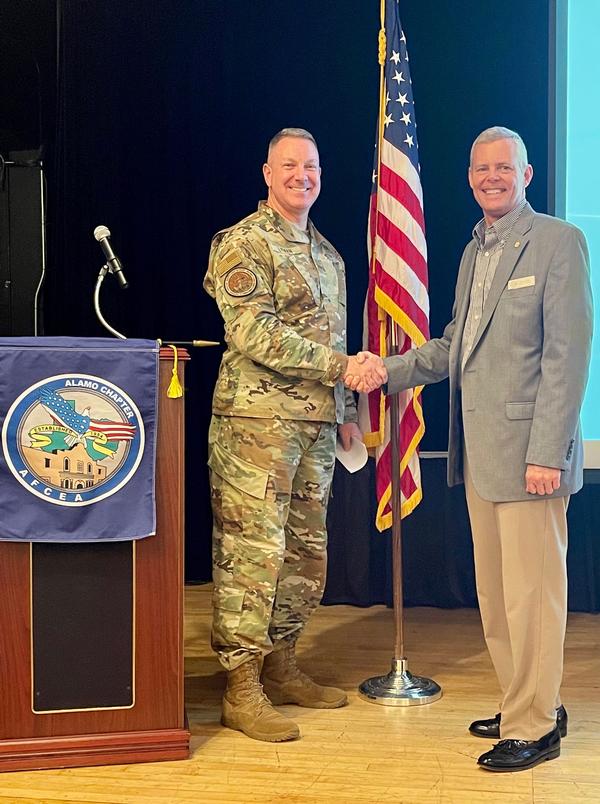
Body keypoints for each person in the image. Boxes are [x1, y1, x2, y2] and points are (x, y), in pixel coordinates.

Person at [345, 126, 593, 771]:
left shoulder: (560, 242)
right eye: (481, 168)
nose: (492, 177)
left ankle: (537, 725)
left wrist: (547, 453)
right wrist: (386, 369)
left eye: (503, 168)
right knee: (499, 596)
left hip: (530, 457)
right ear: (469, 177)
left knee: (533, 597)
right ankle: (526, 704)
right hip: (481, 456)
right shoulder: (473, 252)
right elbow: (453, 347)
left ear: (527, 174)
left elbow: (567, 360)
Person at [204, 127, 385, 743]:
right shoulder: (243, 244)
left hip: (315, 426)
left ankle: (281, 664)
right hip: (256, 427)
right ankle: (241, 685)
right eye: (289, 166)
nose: (301, 176)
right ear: (266, 173)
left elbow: (331, 344)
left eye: (310, 166)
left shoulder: (328, 255)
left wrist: (347, 406)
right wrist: (342, 368)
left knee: (305, 556)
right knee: (252, 554)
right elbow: (252, 335)